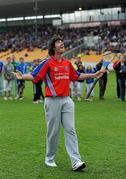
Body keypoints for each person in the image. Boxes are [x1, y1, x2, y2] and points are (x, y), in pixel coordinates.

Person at [13, 35, 104, 171]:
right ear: (53, 47)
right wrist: (22, 76)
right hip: (52, 101)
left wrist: (94, 74)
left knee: (71, 130)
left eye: (62, 41)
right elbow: (34, 75)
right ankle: (49, 158)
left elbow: (77, 76)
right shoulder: (47, 62)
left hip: (67, 100)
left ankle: (76, 161)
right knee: (53, 132)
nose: (61, 43)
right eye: (58, 42)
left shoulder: (67, 63)